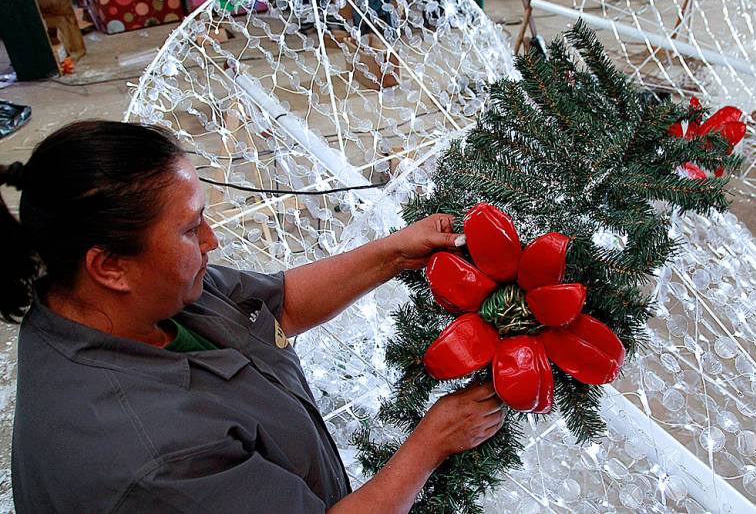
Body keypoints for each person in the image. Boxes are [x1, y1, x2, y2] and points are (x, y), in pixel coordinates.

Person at [2, 120, 504, 513]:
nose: (211, 241)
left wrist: (394, 253)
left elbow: (276, 304)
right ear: (109, 266)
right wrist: (433, 442)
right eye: (190, 229)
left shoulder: (132, 297)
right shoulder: (155, 458)